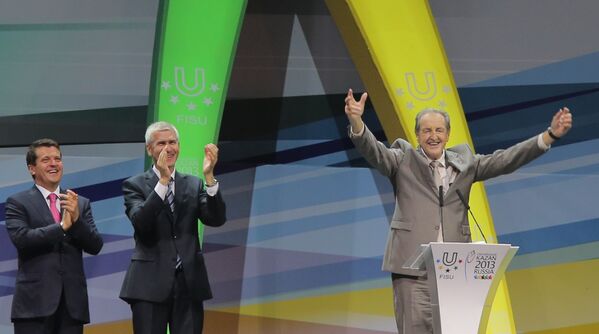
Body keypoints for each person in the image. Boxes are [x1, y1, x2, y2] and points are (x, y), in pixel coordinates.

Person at [344, 89, 573, 334]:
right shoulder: (402, 161)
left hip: (455, 274)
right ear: (417, 135)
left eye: (439, 130)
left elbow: (507, 159)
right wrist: (357, 121)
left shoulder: (465, 165)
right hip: (413, 272)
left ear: (448, 134)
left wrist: (548, 137)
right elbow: (373, 150)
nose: (433, 136)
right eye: (427, 130)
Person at [119, 121, 227, 334]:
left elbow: (215, 218)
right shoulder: (134, 185)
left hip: (189, 283)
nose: (169, 148)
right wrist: (163, 182)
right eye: (161, 143)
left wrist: (209, 178)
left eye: (173, 142)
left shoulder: (193, 184)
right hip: (149, 284)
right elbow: (141, 222)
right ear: (149, 149)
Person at [5, 138, 104, 334]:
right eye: (46, 160)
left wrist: (76, 221)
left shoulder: (79, 203)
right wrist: (62, 227)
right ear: (32, 168)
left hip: (72, 306)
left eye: (57, 159)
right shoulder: (18, 202)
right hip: (34, 305)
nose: (53, 164)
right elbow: (23, 240)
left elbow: (95, 245)